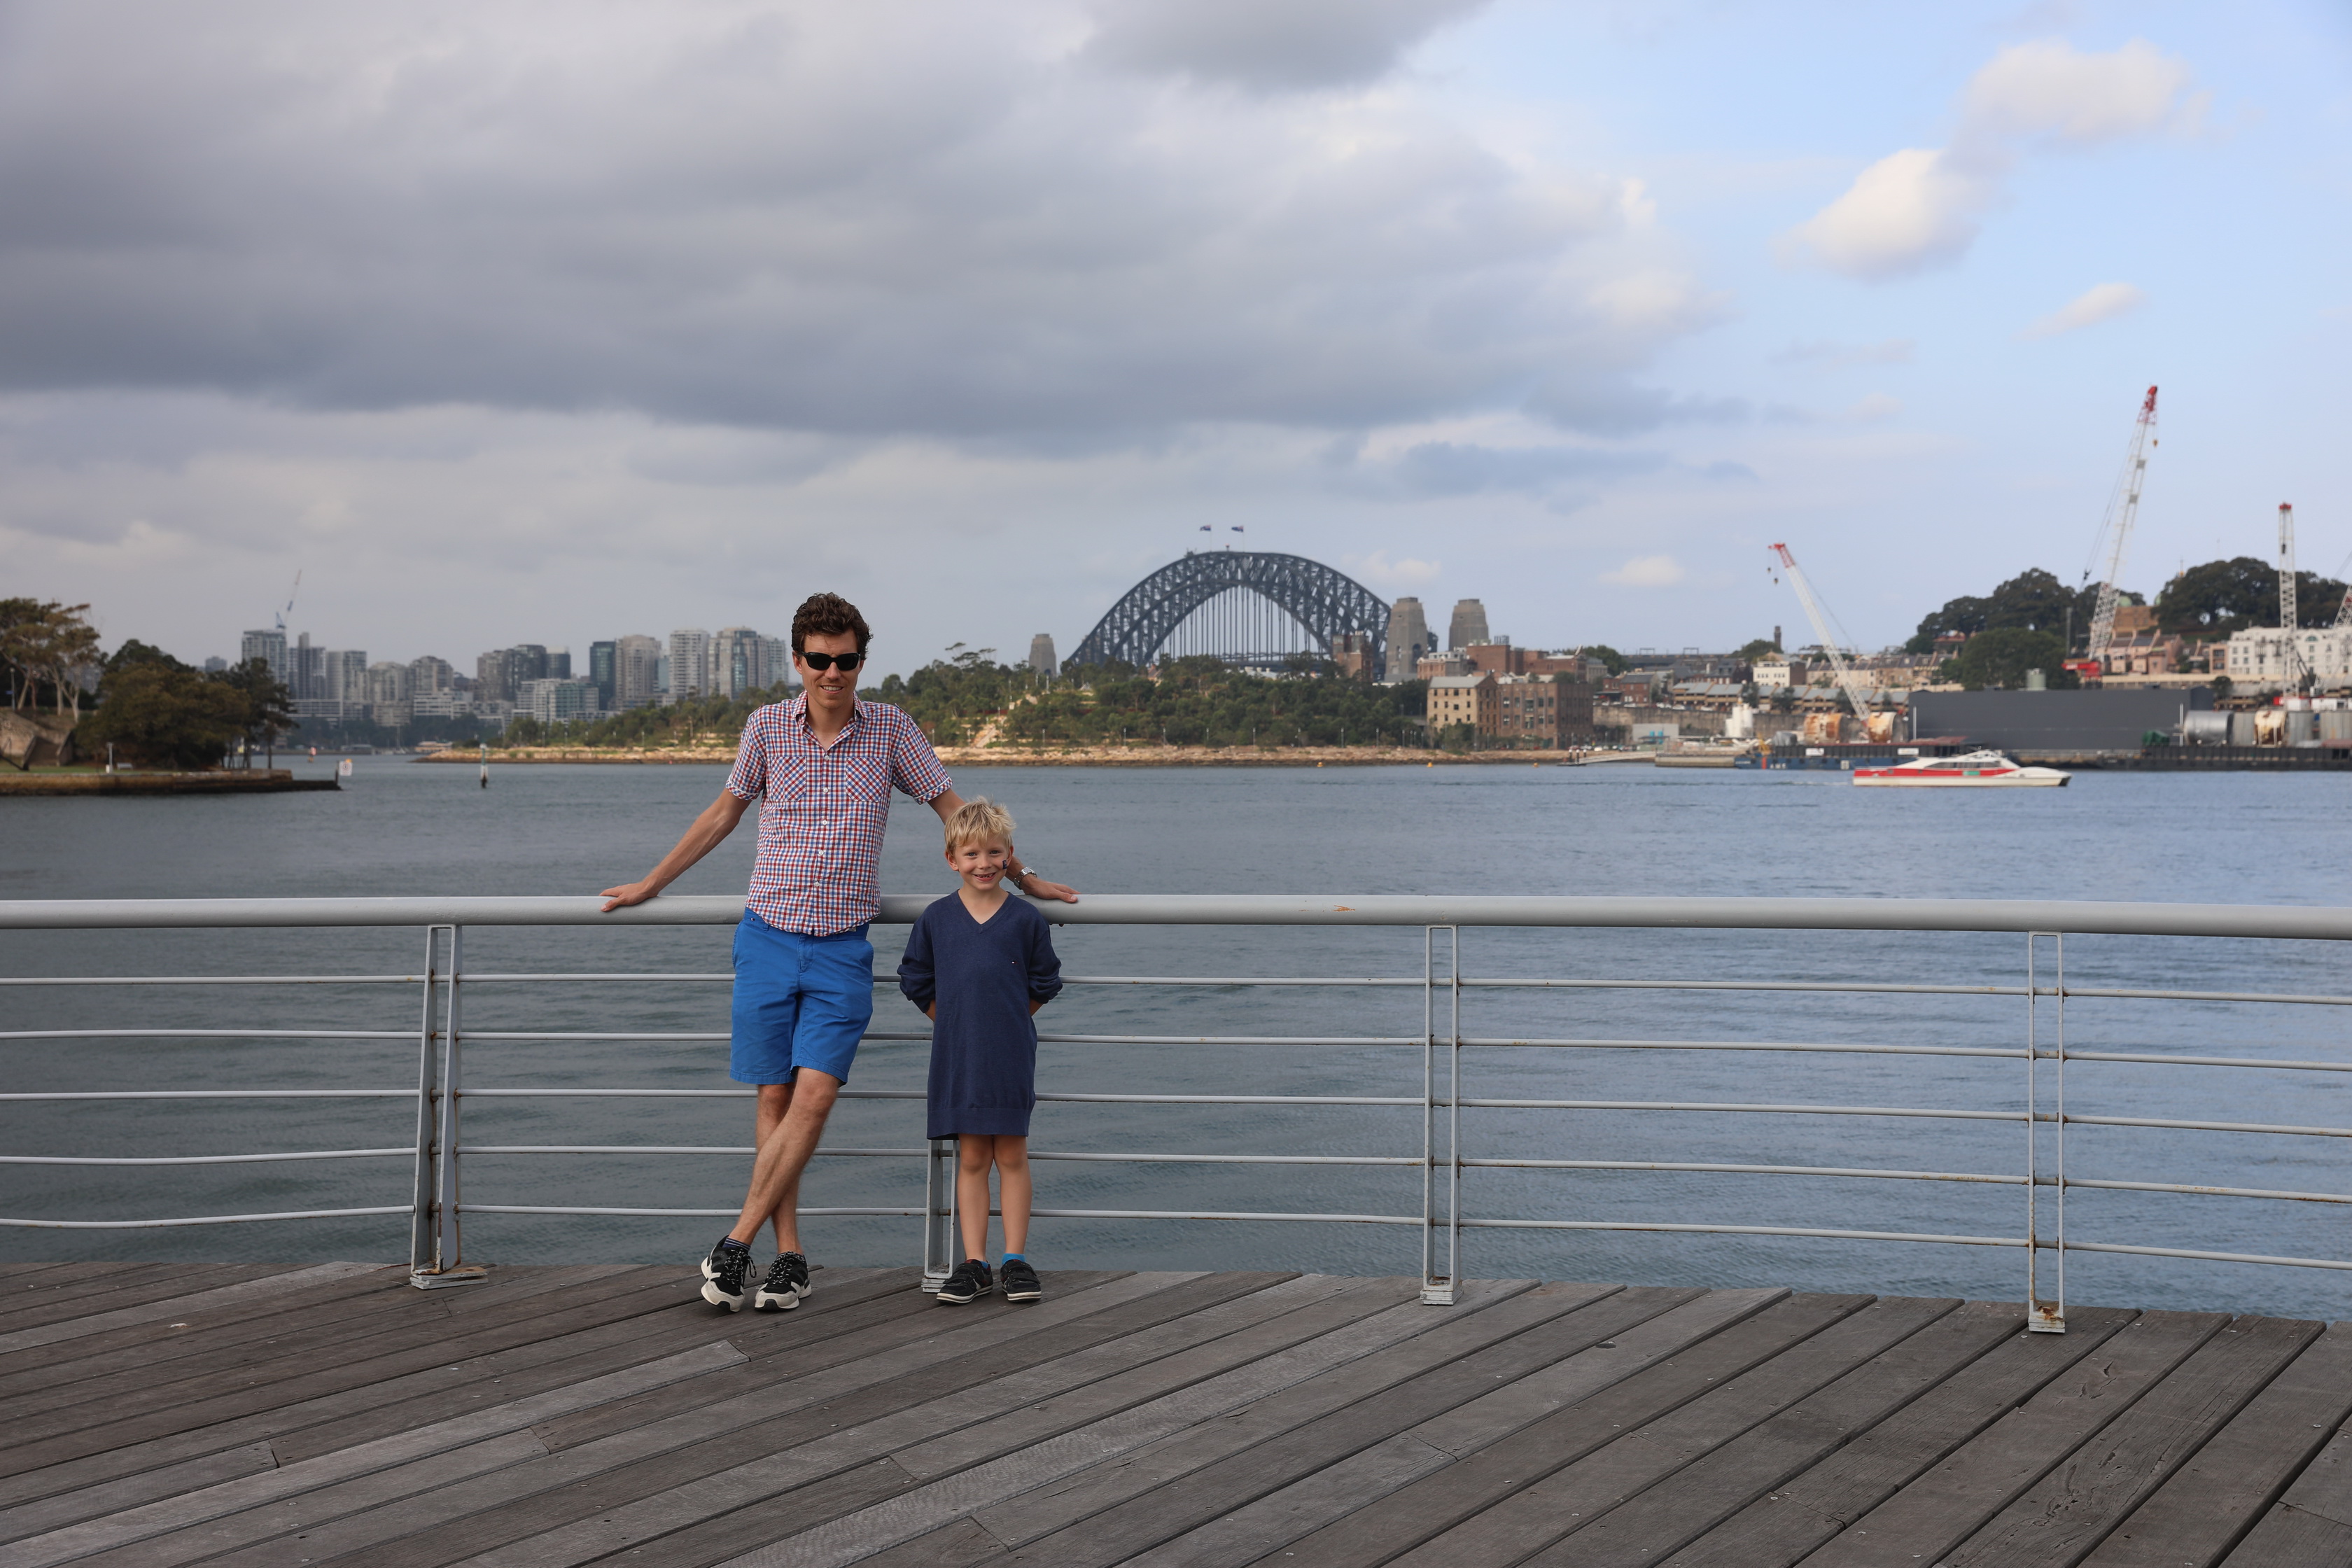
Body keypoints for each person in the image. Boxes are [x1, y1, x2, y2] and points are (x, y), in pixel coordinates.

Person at [598, 593, 1078, 1312]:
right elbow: (723, 814)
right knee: (774, 1097)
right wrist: (650, 882)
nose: (832, 672)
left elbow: (955, 812)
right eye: (819, 659)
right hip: (766, 935)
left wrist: (1021, 872)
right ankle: (788, 1257)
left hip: (841, 948)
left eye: (845, 659)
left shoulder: (891, 729)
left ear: (860, 660)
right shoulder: (766, 727)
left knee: (815, 1095)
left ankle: (735, 1239)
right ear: (798, 660)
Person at [897, 797, 1062, 1304]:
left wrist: (1007, 1020)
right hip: (958, 1056)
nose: (984, 864)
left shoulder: (1026, 919)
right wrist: (954, 1024)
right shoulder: (937, 919)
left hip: (1010, 1054)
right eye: (971, 855)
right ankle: (975, 1261)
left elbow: (1045, 981)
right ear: (952, 859)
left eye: (994, 853)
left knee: (1011, 1154)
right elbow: (914, 979)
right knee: (972, 1157)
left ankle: (1015, 1259)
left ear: (1009, 856)